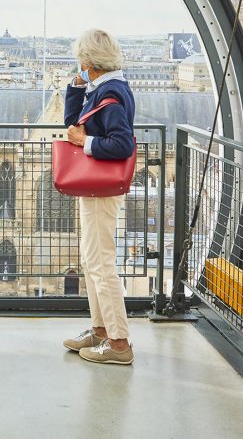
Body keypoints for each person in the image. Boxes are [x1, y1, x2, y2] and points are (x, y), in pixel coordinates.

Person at [60, 28, 137, 365]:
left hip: (102, 189)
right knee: (92, 260)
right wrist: (77, 87)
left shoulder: (113, 94)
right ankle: (100, 330)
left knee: (102, 263)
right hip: (95, 186)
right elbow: (73, 123)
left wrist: (85, 144)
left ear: (89, 61)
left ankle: (119, 343)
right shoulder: (102, 87)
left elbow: (122, 144)